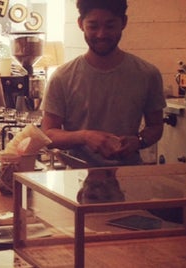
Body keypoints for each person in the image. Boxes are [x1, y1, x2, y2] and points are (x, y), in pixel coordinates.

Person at [41, 0, 166, 167]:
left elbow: (156, 126)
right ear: (80, 24)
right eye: (93, 26)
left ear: (124, 23)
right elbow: (48, 135)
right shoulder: (62, 77)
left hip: (130, 177)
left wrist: (138, 141)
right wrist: (85, 136)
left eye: (110, 26)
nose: (101, 34)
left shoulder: (147, 73)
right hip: (74, 180)